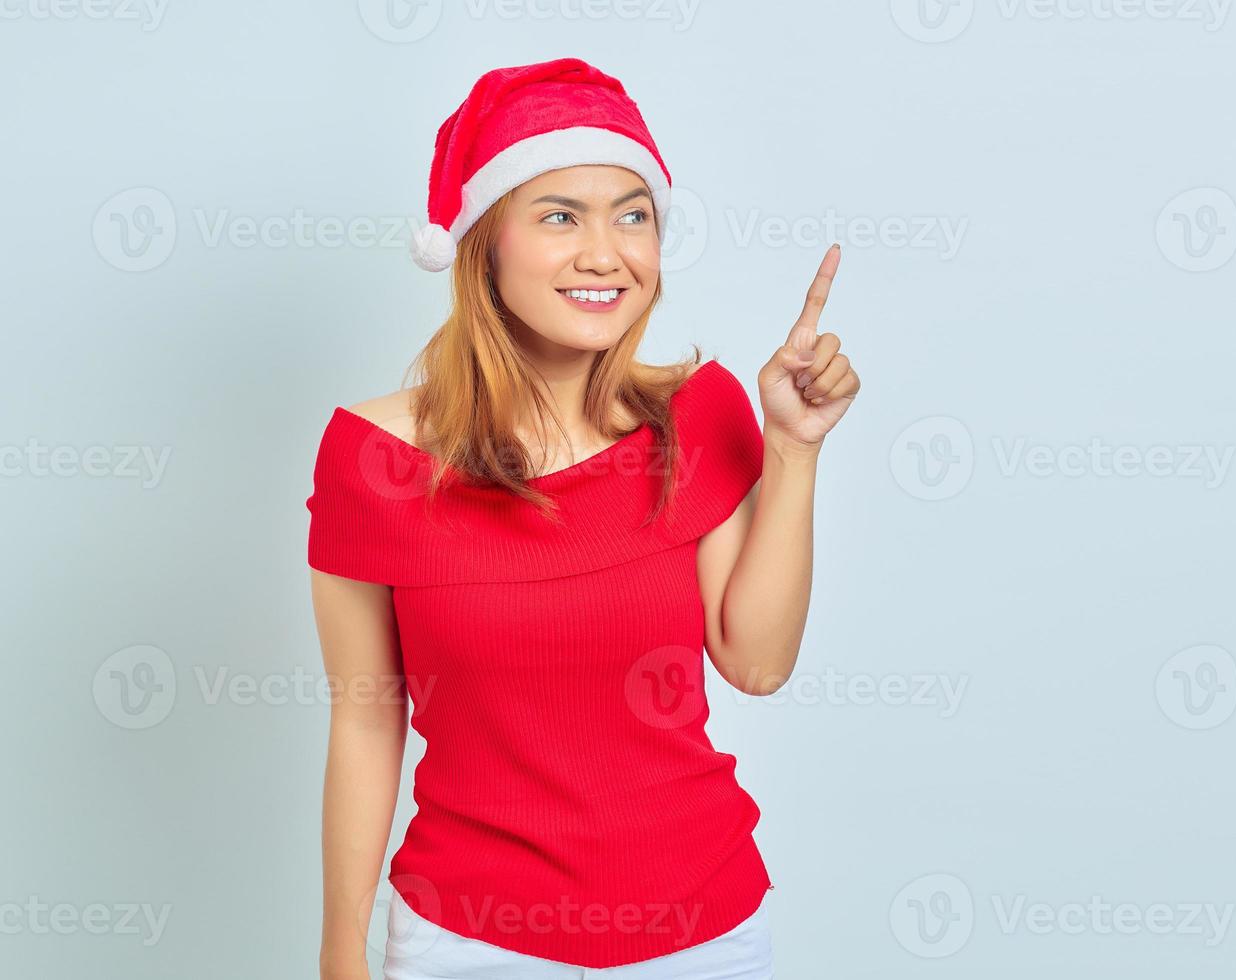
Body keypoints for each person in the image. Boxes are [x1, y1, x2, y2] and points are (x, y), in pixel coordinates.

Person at [306, 56, 859, 979]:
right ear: (483, 243)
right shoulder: (375, 460)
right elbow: (367, 719)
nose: (606, 253)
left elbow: (757, 664)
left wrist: (794, 449)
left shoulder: (701, 416)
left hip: (705, 936)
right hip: (467, 943)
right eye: (560, 215)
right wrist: (337, 955)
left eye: (631, 215)